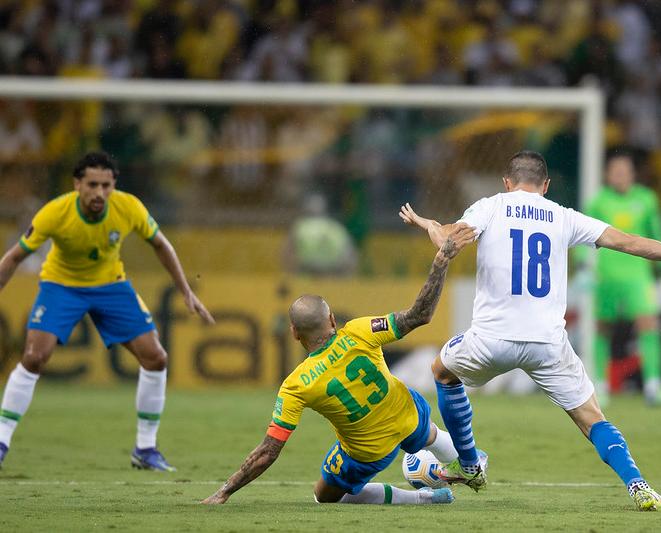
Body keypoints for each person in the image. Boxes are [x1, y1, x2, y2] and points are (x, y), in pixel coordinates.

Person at [399, 150, 661, 512]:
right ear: (545, 186)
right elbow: (629, 242)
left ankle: (468, 464)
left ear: (506, 182)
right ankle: (639, 486)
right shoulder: (563, 216)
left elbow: (448, 242)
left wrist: (430, 226)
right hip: (547, 343)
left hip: (492, 338)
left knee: (442, 371)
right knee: (593, 418)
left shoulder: (491, 206)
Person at [202, 225, 477, 506]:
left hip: (369, 451)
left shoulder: (296, 385)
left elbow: (268, 452)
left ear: (294, 332)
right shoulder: (360, 330)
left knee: (324, 496)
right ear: (332, 320)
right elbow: (419, 315)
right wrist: (441, 261)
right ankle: (471, 462)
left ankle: (424, 498)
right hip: (409, 413)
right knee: (423, 429)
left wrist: (225, 491)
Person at [0, 152, 214, 470]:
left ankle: (145, 449)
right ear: (77, 185)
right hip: (61, 286)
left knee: (156, 357)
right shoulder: (55, 213)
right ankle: (2, 441)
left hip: (111, 287)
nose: (99, 192)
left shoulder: (128, 207)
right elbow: (14, 257)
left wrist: (185, 291)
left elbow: (161, 244)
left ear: (114, 185)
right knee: (34, 357)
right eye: (92, 185)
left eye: (106, 185)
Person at [583, 151, 661, 405]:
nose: (620, 176)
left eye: (624, 172)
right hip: (607, 275)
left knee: (648, 324)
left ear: (632, 174)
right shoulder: (598, 201)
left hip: (638, 274)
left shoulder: (646, 199)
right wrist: (583, 266)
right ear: (607, 175)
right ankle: (600, 387)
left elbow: (655, 232)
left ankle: (653, 387)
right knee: (603, 328)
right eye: (615, 172)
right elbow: (582, 236)